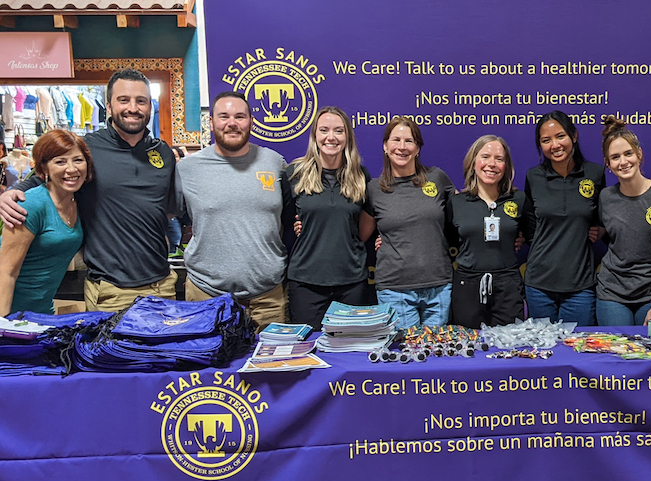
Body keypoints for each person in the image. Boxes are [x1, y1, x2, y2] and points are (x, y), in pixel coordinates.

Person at [0, 69, 178, 312]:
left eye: (141, 101)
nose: (133, 108)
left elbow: (164, 213)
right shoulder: (87, 149)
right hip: (112, 291)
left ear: (150, 106)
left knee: (168, 351)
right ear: (109, 105)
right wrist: (12, 192)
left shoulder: (163, 153)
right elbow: (49, 175)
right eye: (123, 100)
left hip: (163, 286)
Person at [175, 91, 291, 327]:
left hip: (268, 298)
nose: (232, 123)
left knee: (271, 364)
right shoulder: (187, 169)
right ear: (211, 122)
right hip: (207, 296)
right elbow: (168, 216)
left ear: (251, 121)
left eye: (240, 116)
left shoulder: (274, 162)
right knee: (209, 364)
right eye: (223, 116)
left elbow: (290, 220)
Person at [285, 107, 374, 330]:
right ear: (315, 135)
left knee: (352, 350)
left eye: (338, 131)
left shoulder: (360, 176)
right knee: (309, 352)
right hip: (306, 283)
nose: (331, 137)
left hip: (351, 282)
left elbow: (363, 230)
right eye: (324, 130)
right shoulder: (295, 173)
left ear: (347, 137)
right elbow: (284, 222)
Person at [595, 116, 651, 326]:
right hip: (612, 294)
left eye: (628, 154)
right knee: (617, 355)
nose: (623, 162)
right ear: (608, 164)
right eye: (615, 157)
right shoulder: (605, 198)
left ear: (639, 154)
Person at [367, 116, 454, 329]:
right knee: (407, 358)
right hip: (394, 289)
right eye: (396, 140)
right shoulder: (373, 188)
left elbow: (465, 215)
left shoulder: (437, 178)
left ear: (418, 148)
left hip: (439, 286)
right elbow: (359, 235)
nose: (402, 147)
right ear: (385, 146)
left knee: (437, 357)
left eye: (409, 141)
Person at [522, 111, 605, 326]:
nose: (555, 145)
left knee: (577, 352)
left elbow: (603, 216)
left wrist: (600, 230)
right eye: (546, 140)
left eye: (560, 136)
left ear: (574, 136)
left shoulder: (595, 174)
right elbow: (530, 228)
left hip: (581, 286)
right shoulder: (533, 176)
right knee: (543, 355)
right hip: (539, 284)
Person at [0, 129, 94, 315]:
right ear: (44, 168)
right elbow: (5, 273)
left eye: (78, 160)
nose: (72, 169)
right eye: (60, 162)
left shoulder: (78, 201)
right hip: (11, 312)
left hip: (41, 312)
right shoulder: (31, 205)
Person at [446, 135, 526, 328]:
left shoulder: (519, 199)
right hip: (468, 286)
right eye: (485, 157)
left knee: (510, 349)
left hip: (508, 287)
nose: (492, 164)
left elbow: (534, 234)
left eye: (499, 159)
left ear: (506, 166)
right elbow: (447, 240)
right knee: (469, 349)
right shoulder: (456, 202)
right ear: (473, 162)